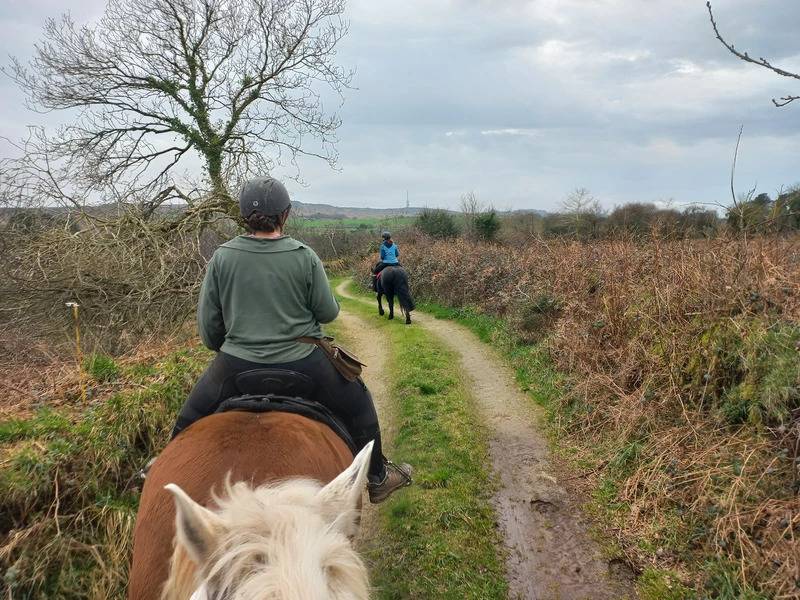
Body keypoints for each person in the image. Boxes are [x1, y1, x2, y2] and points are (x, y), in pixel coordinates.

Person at [172, 177, 412, 503]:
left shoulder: (222, 258)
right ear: (284, 215)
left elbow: (209, 331)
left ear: (244, 216)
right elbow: (327, 313)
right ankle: (378, 476)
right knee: (359, 400)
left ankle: (159, 470)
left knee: (189, 417)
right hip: (304, 361)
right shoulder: (304, 256)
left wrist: (233, 348)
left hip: (235, 365)